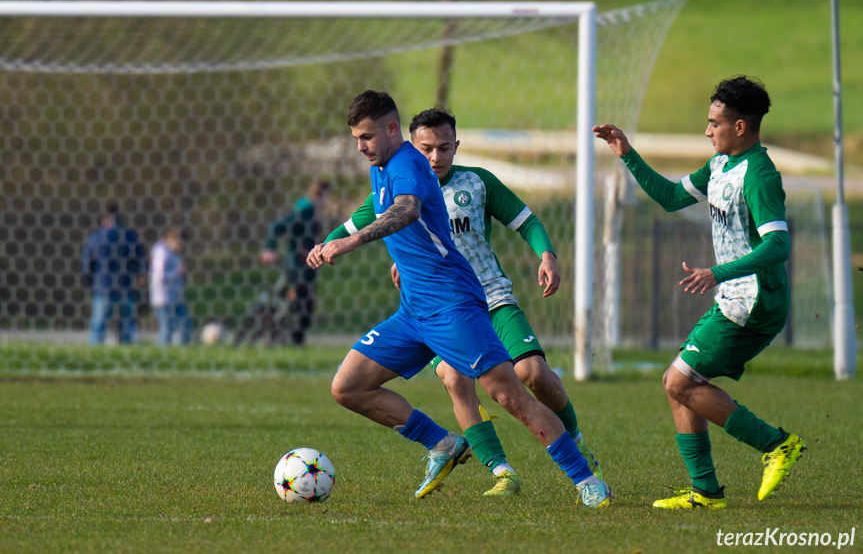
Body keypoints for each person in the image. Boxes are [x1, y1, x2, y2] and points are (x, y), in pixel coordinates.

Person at [306, 90, 610, 506]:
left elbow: (408, 210)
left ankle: (586, 479)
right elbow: (376, 217)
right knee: (348, 386)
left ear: (392, 130)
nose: (359, 147)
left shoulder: (408, 163)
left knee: (509, 393)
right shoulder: (381, 167)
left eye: (366, 137)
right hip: (414, 309)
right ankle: (444, 443)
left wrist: (352, 242)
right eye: (356, 138)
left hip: (453, 303)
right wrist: (328, 243)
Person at [593, 75, 805, 509]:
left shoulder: (760, 175)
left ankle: (776, 444)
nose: (708, 131)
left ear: (740, 126)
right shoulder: (719, 167)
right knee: (679, 384)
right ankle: (706, 492)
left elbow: (779, 245)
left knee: (679, 381)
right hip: (734, 296)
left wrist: (717, 271)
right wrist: (628, 155)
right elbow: (671, 197)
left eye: (715, 123)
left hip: (756, 300)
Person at [236, 179, 330, 346]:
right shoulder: (306, 210)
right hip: (297, 269)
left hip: (304, 267)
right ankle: (260, 338)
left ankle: (260, 337)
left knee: (296, 306)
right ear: (323, 194)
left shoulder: (311, 210)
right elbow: (277, 226)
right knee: (295, 308)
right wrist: (269, 248)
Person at [81, 201, 147, 345]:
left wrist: (88, 278)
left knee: (99, 324)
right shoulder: (130, 236)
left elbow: (87, 260)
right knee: (126, 325)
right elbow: (141, 259)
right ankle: (126, 352)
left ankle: (94, 352)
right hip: (126, 286)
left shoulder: (96, 237)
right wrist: (140, 275)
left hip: (103, 287)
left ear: (105, 220)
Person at [150, 228, 189, 346]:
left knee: (184, 325)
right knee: (166, 327)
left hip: (175, 297)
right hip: (163, 297)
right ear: (171, 240)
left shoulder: (173, 253)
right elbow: (159, 276)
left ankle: (183, 352)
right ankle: (163, 354)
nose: (181, 247)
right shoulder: (161, 251)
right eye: (179, 243)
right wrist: (177, 272)